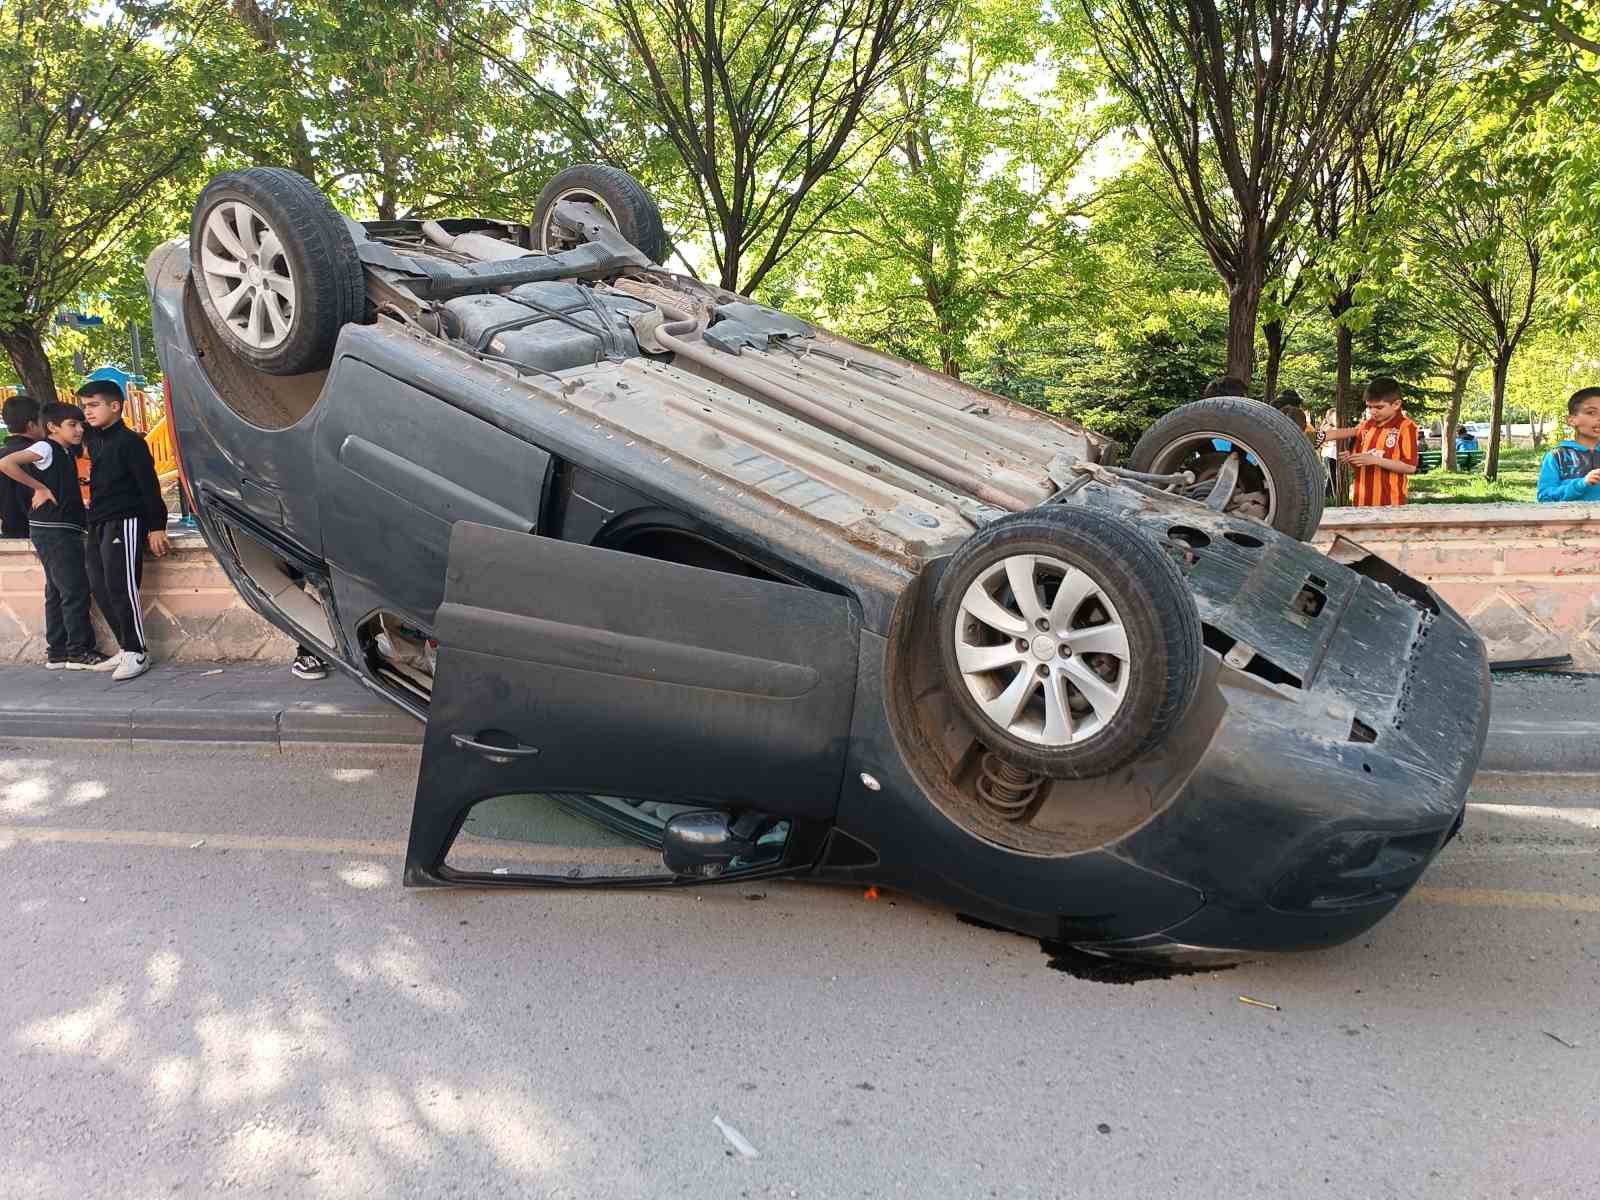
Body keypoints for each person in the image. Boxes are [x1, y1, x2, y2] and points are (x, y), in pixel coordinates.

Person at [0, 402, 113, 669]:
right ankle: (79, 651)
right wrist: (39, 487)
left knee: (57, 590)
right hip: (54, 529)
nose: (79, 429)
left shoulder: (62, 451)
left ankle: (59, 650)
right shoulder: (46, 447)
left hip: (58, 528)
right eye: (72, 425)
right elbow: (7, 463)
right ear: (52, 427)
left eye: (80, 424)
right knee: (75, 588)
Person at [77, 380, 170, 681]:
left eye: (93, 405)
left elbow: (149, 485)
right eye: (84, 406)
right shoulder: (95, 439)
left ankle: (137, 651)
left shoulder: (131, 443)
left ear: (115, 406)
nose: (87, 412)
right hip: (98, 521)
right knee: (99, 584)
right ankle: (125, 646)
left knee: (121, 585)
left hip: (125, 520)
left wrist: (157, 526)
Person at [1323, 377, 1420, 507]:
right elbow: (1360, 462)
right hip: (1360, 503)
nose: (1373, 411)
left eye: (1379, 407)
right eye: (1369, 407)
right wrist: (1351, 458)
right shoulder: (1366, 426)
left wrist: (1375, 460)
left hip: (1391, 504)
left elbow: (1410, 467)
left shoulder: (1406, 427)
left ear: (1396, 404)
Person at [1536, 387, 1600, 503]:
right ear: (1571, 420)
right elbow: (1544, 498)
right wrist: (1581, 484)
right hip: (1569, 520)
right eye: (1591, 412)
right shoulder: (1556, 456)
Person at [2, 393, 44, 538]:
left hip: (7, 534)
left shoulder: (2, 453)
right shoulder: (38, 454)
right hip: (38, 532)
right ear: (31, 425)